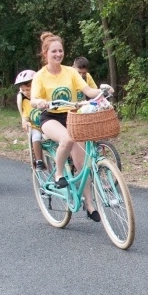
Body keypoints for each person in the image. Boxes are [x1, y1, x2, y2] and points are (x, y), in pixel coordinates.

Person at [29, 32, 106, 222]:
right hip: (50, 117)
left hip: (71, 115)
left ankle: (89, 205)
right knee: (67, 139)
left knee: (83, 164)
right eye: (54, 51)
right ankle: (59, 172)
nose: (58, 54)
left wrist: (103, 91)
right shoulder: (40, 76)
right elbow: (33, 100)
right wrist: (40, 103)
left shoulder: (70, 72)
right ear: (45, 53)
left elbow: (88, 90)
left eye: (60, 51)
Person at [15, 70, 44, 170]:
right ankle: (39, 160)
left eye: (28, 89)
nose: (26, 92)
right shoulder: (25, 102)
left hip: (47, 125)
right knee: (36, 136)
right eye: (23, 90)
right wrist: (25, 121)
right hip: (35, 126)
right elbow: (26, 115)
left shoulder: (43, 98)